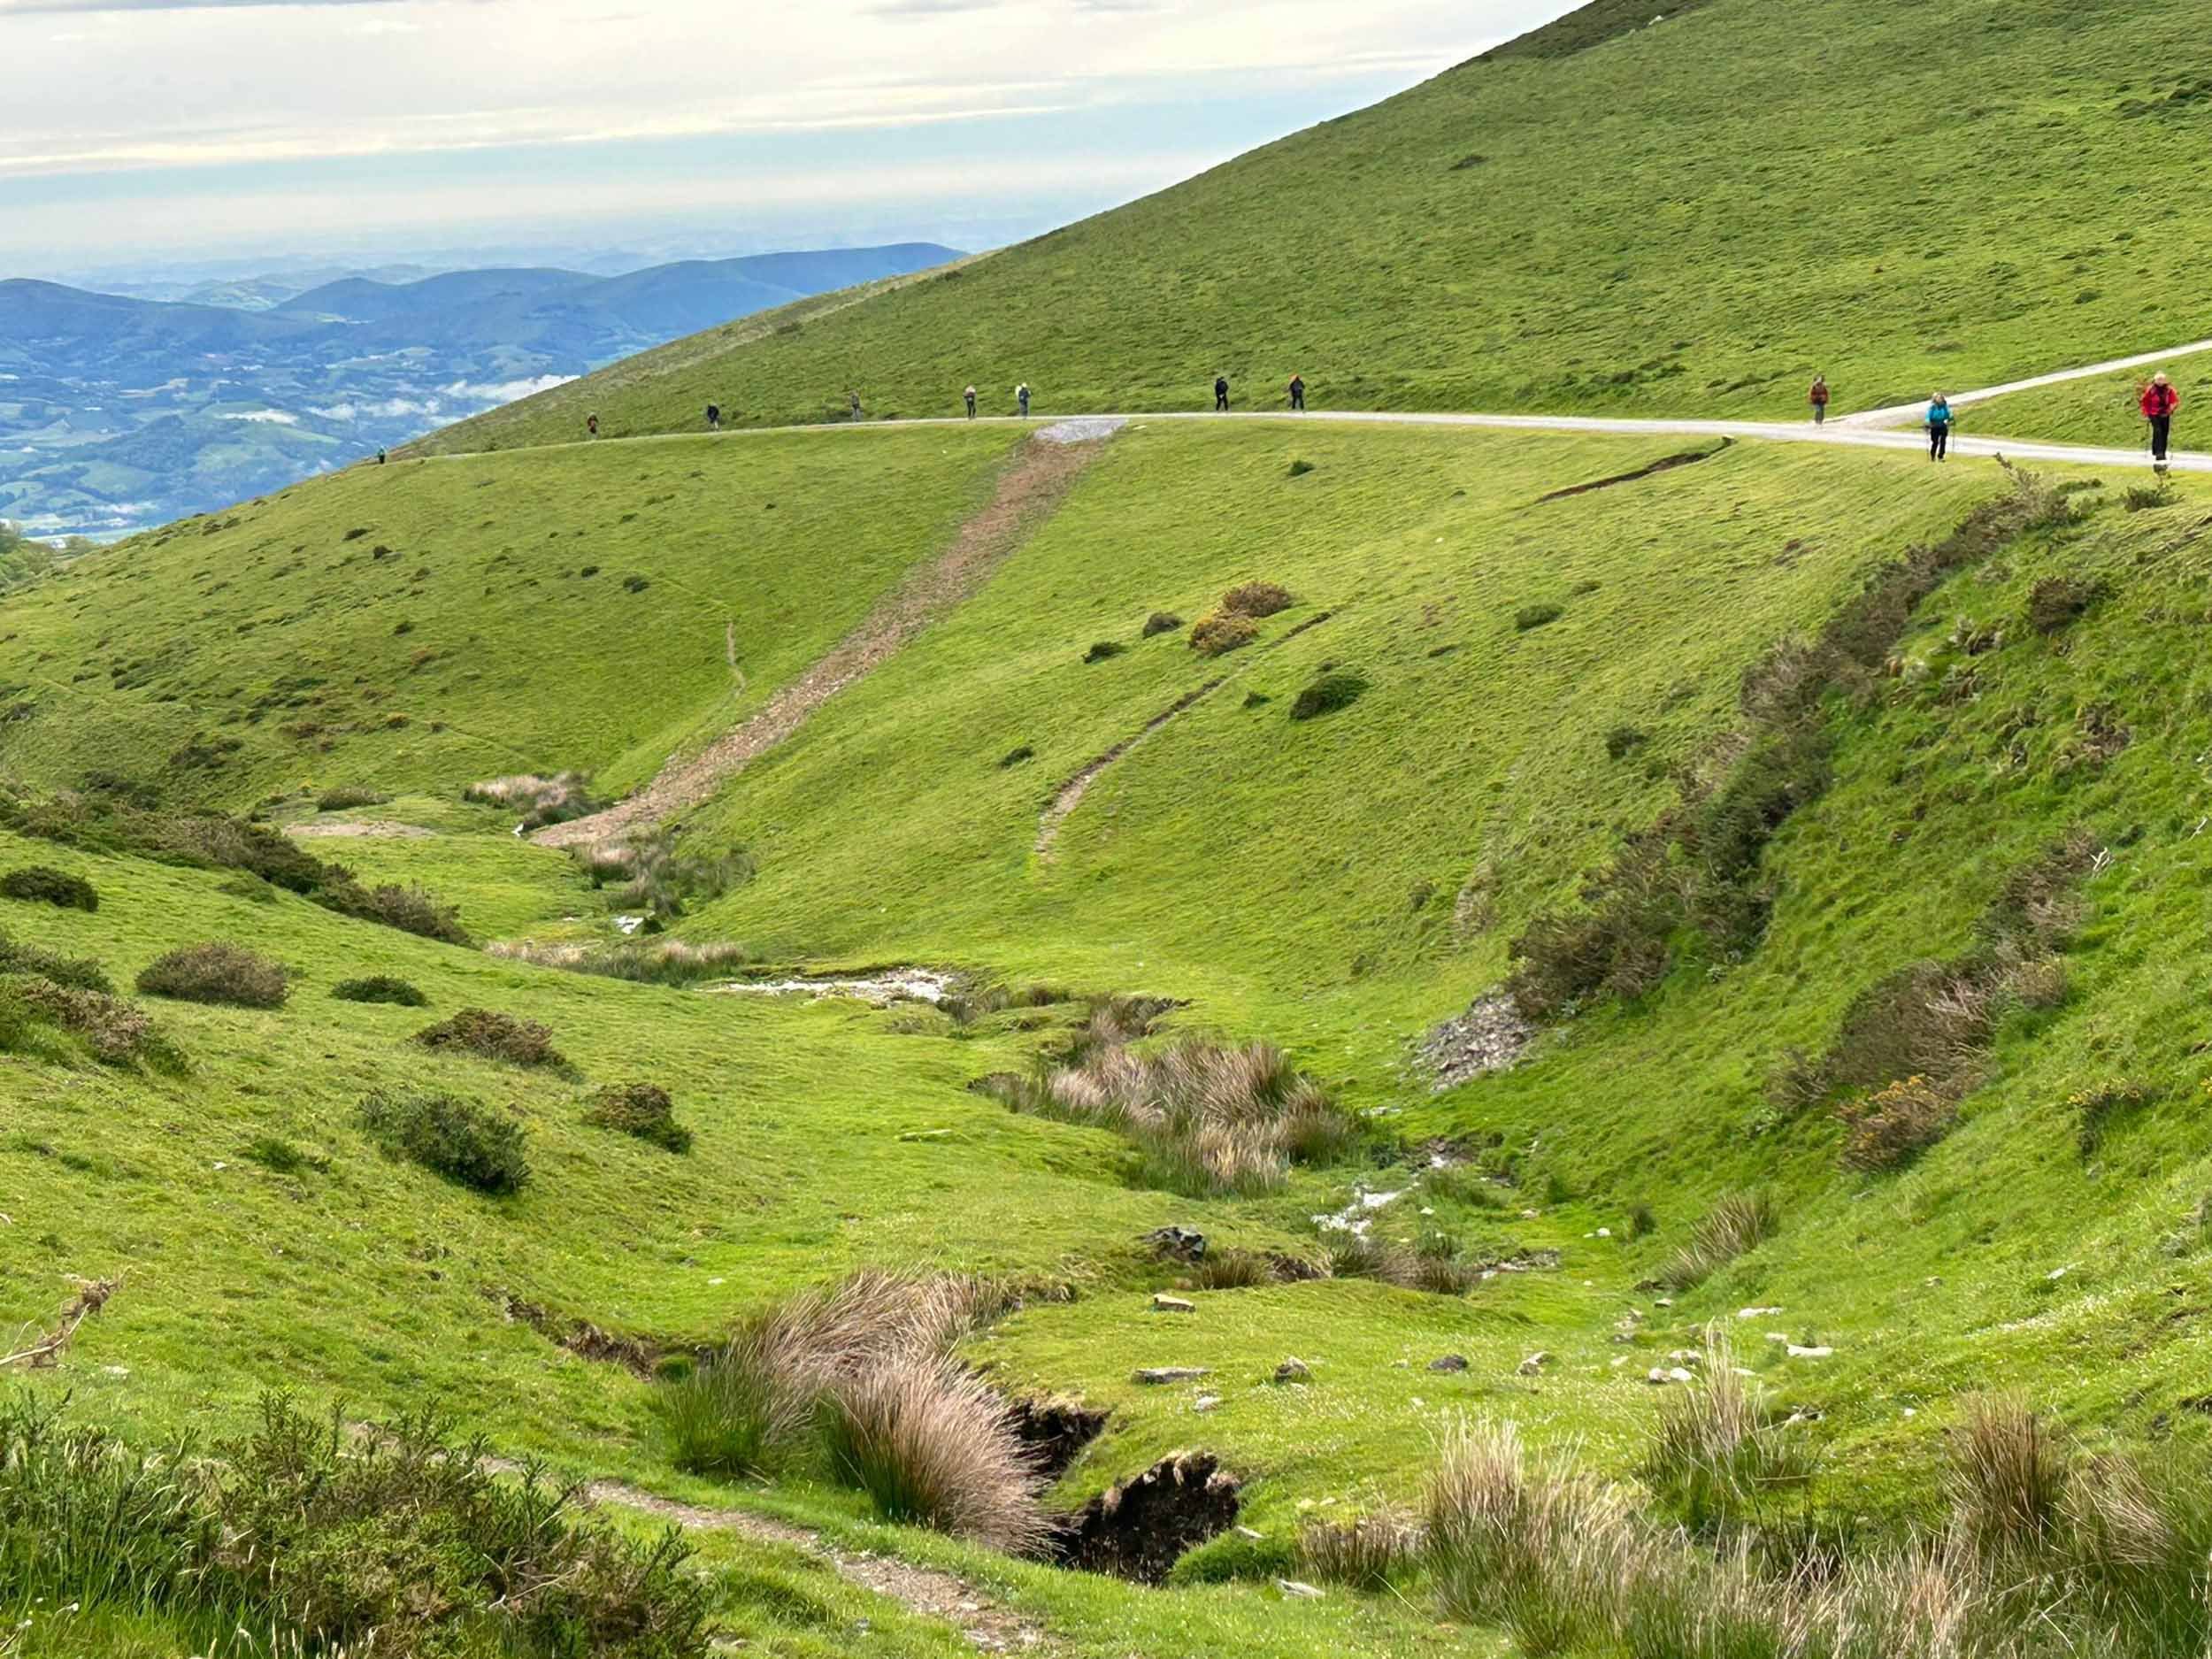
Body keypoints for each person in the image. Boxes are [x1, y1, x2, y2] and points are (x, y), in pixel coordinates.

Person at [2142, 372, 2181, 465]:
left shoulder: (2169, 390)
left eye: (2162, 380)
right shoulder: (2151, 390)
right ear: (2155, 380)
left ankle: (2161, 451)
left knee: (2164, 432)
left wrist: (2171, 408)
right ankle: (2159, 454)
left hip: (2165, 413)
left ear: (2165, 380)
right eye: (2158, 380)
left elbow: (2175, 400)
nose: (2160, 382)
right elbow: (2145, 401)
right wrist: (2146, 412)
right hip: (2153, 413)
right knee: (2158, 431)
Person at [1925, 394, 1953, 462]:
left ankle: (1941, 456)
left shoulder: (1945, 407)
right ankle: (1933, 455)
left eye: (1940, 398)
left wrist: (1951, 418)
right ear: (1935, 399)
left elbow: (1949, 414)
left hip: (1943, 425)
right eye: (1938, 398)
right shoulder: (1932, 407)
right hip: (1934, 425)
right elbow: (1928, 416)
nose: (1939, 399)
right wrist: (1927, 421)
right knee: (1935, 442)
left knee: (1943, 440)